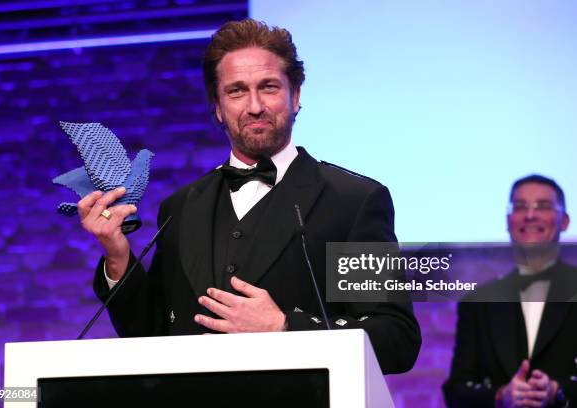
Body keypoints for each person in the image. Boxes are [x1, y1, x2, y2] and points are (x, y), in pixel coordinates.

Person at [77, 19, 420, 374]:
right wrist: (117, 256)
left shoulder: (351, 202)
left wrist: (286, 327)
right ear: (217, 107)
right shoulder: (180, 208)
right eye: (237, 91)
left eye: (269, 87)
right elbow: (150, 338)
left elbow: (395, 339)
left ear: (296, 96)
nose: (254, 106)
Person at [443, 175, 577, 407]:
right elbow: (456, 392)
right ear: (508, 220)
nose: (530, 214)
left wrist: (557, 391)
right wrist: (499, 396)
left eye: (543, 206)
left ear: (564, 221)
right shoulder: (478, 302)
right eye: (520, 206)